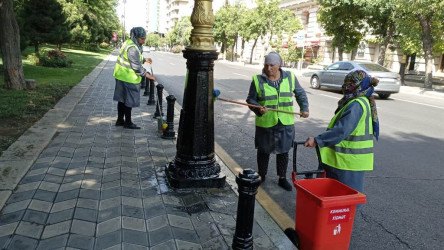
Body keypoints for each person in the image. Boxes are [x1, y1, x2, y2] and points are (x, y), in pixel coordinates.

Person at [304, 70, 379, 195]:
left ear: (356, 85)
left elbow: (341, 130)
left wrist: (317, 140)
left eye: (349, 83)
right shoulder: (361, 100)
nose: (345, 86)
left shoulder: (356, 104)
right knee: (342, 203)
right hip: (350, 162)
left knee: (341, 202)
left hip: (345, 163)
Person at [246, 52, 309, 191]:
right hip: (266, 122)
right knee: (263, 151)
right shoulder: (257, 80)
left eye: (272, 65)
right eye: (266, 65)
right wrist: (258, 109)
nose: (269, 68)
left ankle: (282, 178)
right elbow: (250, 100)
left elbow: (300, 93)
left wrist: (304, 108)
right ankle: (261, 175)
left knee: (284, 151)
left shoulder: (290, 77)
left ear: (279, 65)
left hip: (285, 123)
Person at [113, 27, 156, 129]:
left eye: (144, 38)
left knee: (122, 99)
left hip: (121, 75)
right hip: (128, 78)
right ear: (136, 37)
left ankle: (120, 120)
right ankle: (128, 122)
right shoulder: (133, 48)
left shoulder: (129, 43)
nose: (143, 41)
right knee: (129, 100)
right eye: (142, 39)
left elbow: (133, 59)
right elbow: (136, 67)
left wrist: (144, 60)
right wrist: (148, 75)